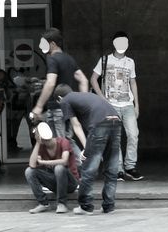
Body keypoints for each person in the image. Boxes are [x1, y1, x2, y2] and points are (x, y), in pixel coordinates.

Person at [56, 85, 123, 214]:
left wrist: (86, 149)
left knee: (89, 167)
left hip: (100, 124)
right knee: (111, 167)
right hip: (115, 120)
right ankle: (109, 206)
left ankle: (85, 206)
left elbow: (76, 125)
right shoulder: (84, 95)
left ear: (59, 98)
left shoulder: (64, 100)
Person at [91, 31, 143, 181]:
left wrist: (136, 104)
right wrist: (102, 98)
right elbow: (93, 79)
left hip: (127, 104)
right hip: (111, 105)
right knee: (116, 138)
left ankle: (130, 166)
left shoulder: (130, 62)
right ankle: (118, 169)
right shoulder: (105, 60)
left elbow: (133, 82)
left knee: (133, 134)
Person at [30, 28, 88, 140]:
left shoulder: (52, 59)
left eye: (43, 43)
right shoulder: (69, 58)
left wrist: (38, 106)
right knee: (67, 141)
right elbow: (83, 80)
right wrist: (82, 102)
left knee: (60, 143)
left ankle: (83, 156)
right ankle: (83, 156)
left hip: (56, 107)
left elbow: (51, 83)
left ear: (52, 44)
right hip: (69, 107)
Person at [24, 121, 79, 213]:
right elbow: (32, 165)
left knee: (59, 168)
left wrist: (44, 162)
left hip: (70, 182)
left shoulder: (63, 142)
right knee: (29, 171)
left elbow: (64, 160)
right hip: (54, 182)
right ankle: (43, 203)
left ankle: (62, 203)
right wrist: (37, 143)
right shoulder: (41, 146)